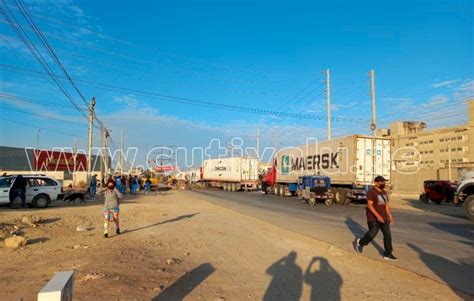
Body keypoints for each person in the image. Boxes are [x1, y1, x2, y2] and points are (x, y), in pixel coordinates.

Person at [356, 176, 397, 261]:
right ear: (375, 182)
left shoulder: (385, 193)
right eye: (381, 182)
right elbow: (370, 206)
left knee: (387, 235)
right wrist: (378, 216)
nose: (383, 184)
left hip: (384, 218)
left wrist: (390, 216)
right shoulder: (371, 192)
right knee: (372, 234)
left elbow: (386, 205)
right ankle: (360, 242)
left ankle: (388, 253)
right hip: (373, 218)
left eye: (383, 182)